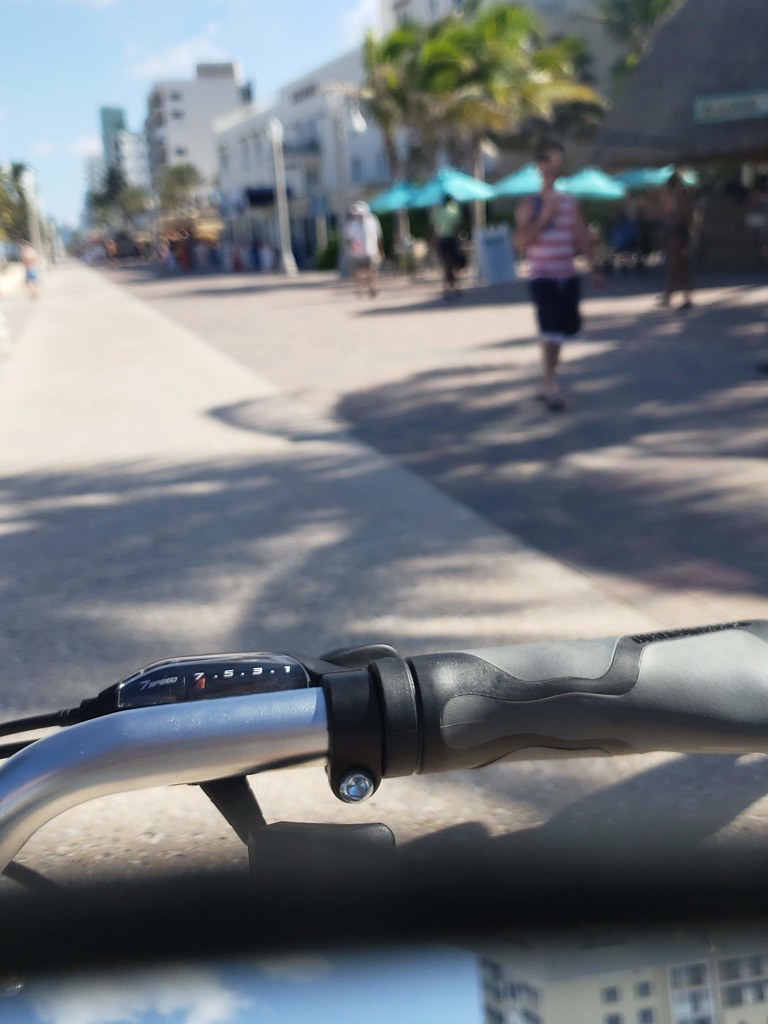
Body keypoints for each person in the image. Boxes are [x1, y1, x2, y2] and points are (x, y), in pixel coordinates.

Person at [514, 140, 601, 411]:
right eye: (545, 161)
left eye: (554, 160)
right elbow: (520, 243)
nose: (550, 166)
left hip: (567, 274)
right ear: (538, 167)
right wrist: (543, 218)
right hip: (542, 275)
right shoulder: (530, 203)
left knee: (565, 331)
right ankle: (551, 385)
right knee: (550, 331)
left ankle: (547, 379)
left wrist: (594, 267)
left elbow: (580, 235)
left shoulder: (569, 201)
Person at [659, 171, 696, 310]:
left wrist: (671, 221)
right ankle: (672, 295)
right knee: (676, 266)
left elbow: (679, 217)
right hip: (678, 233)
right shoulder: (683, 198)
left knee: (677, 266)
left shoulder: (681, 199)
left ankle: (682, 296)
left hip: (677, 233)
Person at [344, 201, 383, 297]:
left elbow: (378, 237)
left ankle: (373, 288)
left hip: (371, 251)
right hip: (357, 253)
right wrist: (352, 246)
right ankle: (360, 289)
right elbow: (348, 239)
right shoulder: (352, 224)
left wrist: (380, 250)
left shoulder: (372, 221)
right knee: (359, 272)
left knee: (373, 271)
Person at [431, 196, 463, 299]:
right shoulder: (453, 211)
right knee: (454, 264)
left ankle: (447, 288)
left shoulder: (439, 212)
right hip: (451, 239)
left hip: (443, 240)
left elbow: (435, 228)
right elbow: (457, 226)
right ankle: (454, 287)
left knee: (446, 264)